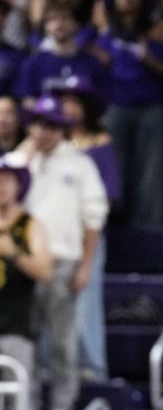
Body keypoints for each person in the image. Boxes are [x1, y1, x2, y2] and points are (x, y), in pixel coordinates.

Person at [15, 95, 108, 410]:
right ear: (31, 126)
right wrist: (25, 157)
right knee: (24, 342)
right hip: (20, 266)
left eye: (53, 126)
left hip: (63, 263)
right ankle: (24, 402)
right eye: (40, 124)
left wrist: (86, 267)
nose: (45, 132)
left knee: (60, 343)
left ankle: (62, 405)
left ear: (62, 130)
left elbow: (93, 219)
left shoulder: (79, 164)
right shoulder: (17, 163)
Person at [50, 74, 121, 380]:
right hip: (51, 236)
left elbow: (110, 194)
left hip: (86, 235)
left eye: (74, 102)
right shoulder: (49, 142)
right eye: (64, 101)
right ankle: (54, 368)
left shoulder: (100, 144)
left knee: (85, 304)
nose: (68, 108)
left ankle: (93, 368)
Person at [96, 0, 163, 225]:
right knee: (115, 166)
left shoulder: (155, 34)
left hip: (149, 106)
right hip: (116, 106)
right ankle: (114, 221)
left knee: (150, 171)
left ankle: (148, 226)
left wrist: (147, 57)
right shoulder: (105, 36)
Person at [0, 157, 53, 410]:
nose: (1, 186)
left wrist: (14, 253)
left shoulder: (29, 226)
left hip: (16, 328)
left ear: (17, 185)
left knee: (21, 398)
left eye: (6, 180)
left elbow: (45, 271)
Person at [13, 2, 107, 106]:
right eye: (52, 19)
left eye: (65, 18)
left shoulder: (92, 63)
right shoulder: (32, 64)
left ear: (77, 24)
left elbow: (101, 101)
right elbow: (27, 101)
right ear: (45, 26)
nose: (59, 23)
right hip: (45, 120)